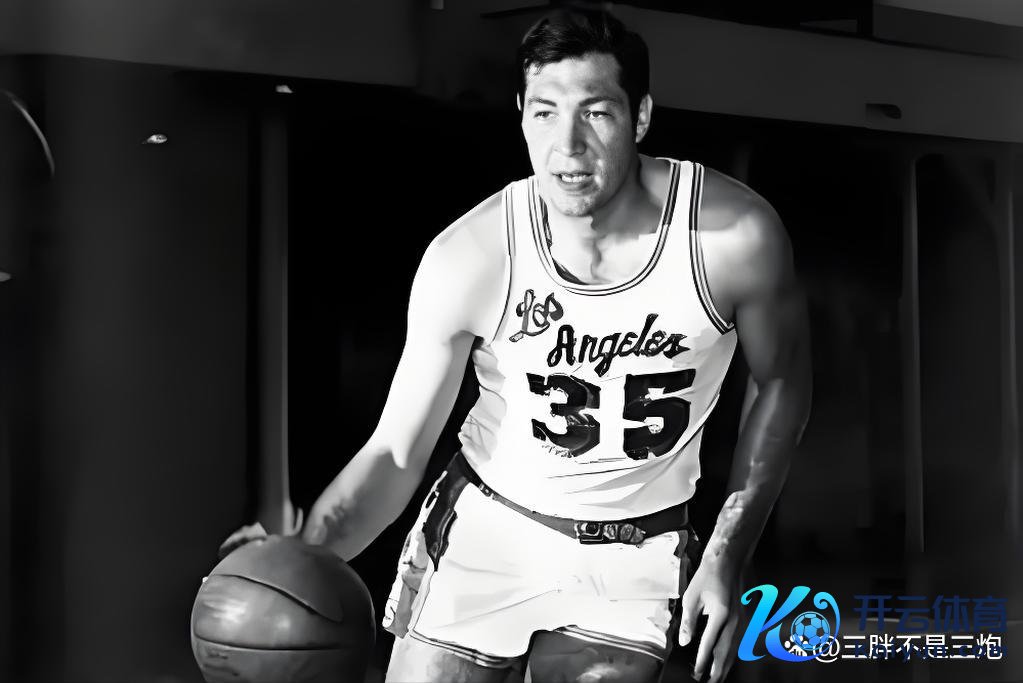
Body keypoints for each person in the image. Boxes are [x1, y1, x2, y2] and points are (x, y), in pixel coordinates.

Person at [222, 9, 811, 683]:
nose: (568, 144)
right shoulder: (472, 253)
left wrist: (728, 553)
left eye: (596, 113)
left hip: (635, 545)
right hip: (487, 531)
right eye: (544, 113)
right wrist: (300, 558)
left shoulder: (732, 237)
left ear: (641, 117)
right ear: (521, 117)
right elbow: (396, 452)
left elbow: (782, 382)